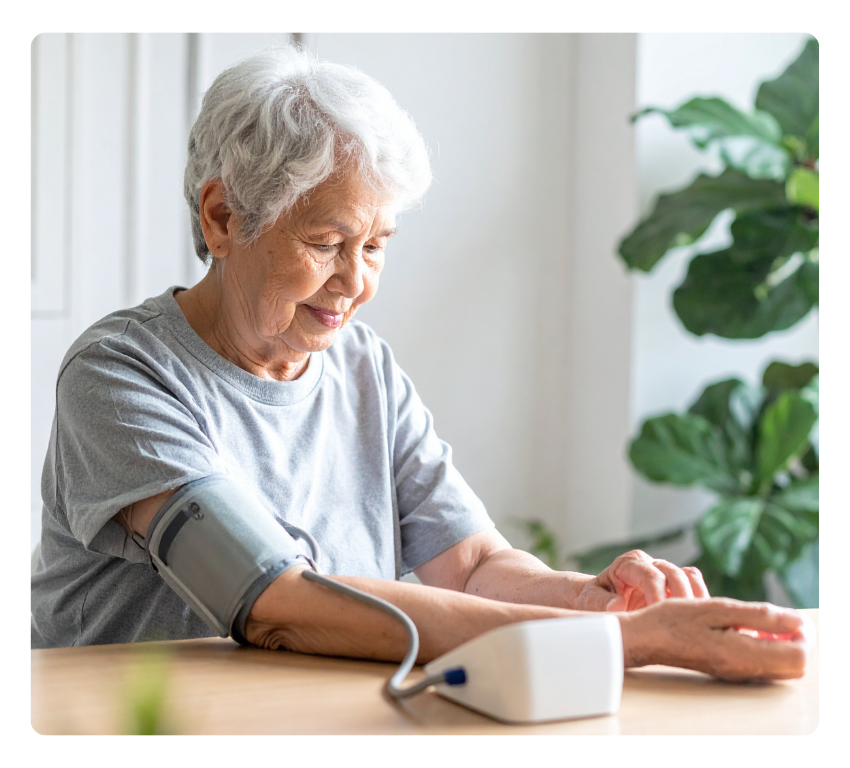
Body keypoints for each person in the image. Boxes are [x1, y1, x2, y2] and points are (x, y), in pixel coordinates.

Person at [30, 47, 809, 682]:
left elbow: (467, 565)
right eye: (327, 243)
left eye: (376, 246)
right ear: (224, 217)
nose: (356, 282)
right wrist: (626, 646)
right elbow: (270, 600)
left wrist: (596, 602)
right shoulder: (120, 375)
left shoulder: (361, 364)